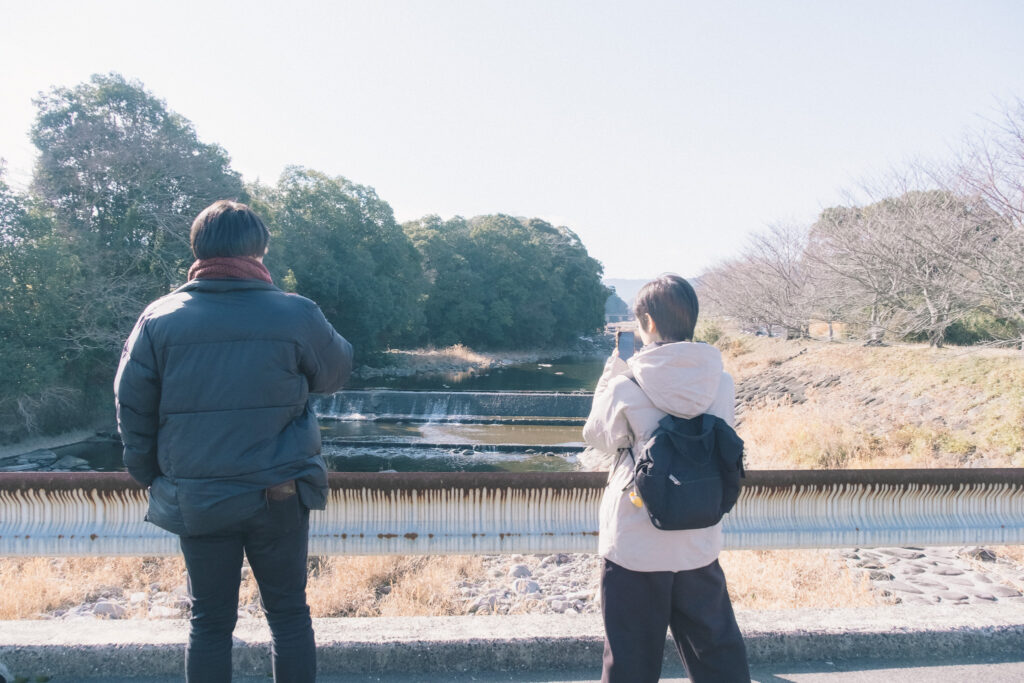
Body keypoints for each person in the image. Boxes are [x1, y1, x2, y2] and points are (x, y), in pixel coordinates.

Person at [115, 200, 352, 682]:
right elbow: (335, 373)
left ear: (197, 248)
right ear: (260, 250)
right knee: (288, 615)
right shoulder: (295, 313)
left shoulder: (159, 318)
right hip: (279, 491)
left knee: (209, 621)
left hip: (197, 493)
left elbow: (131, 404)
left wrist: (151, 474)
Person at [582, 274, 749, 683]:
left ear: (648, 324)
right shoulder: (720, 382)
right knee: (715, 653)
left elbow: (598, 438)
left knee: (631, 658)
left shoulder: (628, 382)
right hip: (698, 536)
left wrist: (612, 372)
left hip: (636, 541)